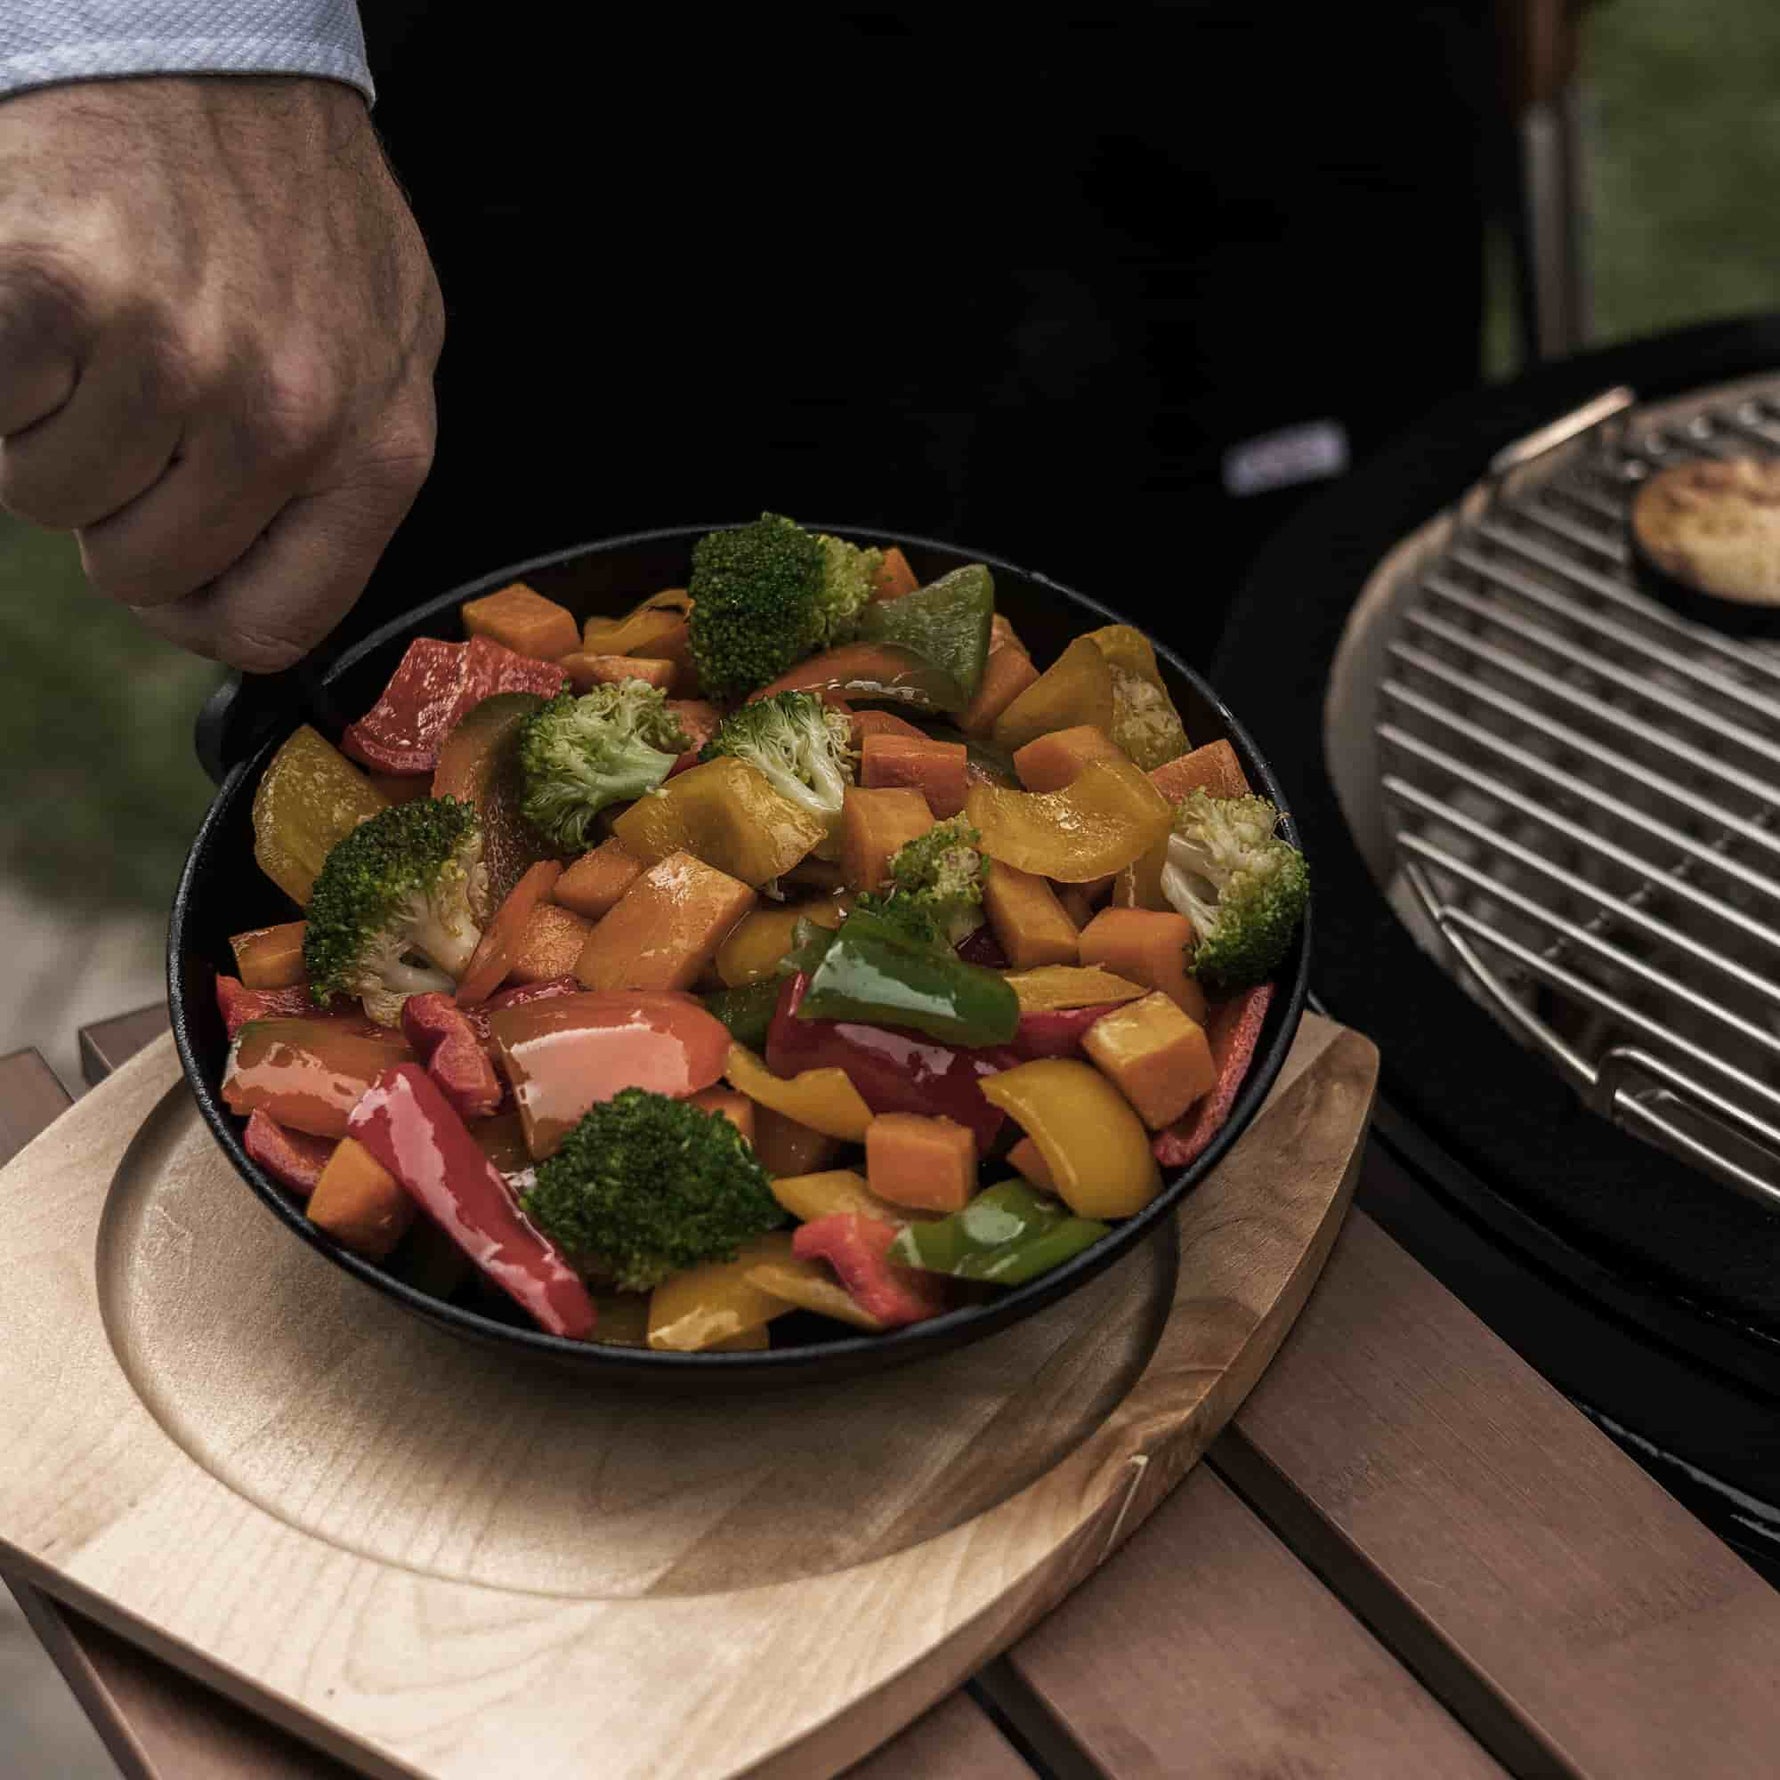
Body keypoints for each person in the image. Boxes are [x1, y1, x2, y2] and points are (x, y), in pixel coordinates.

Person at [0, 4, 1497, 674]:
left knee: (1296, 655)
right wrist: (153, 27)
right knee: (543, 707)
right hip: (617, 104)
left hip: (1258, 88)